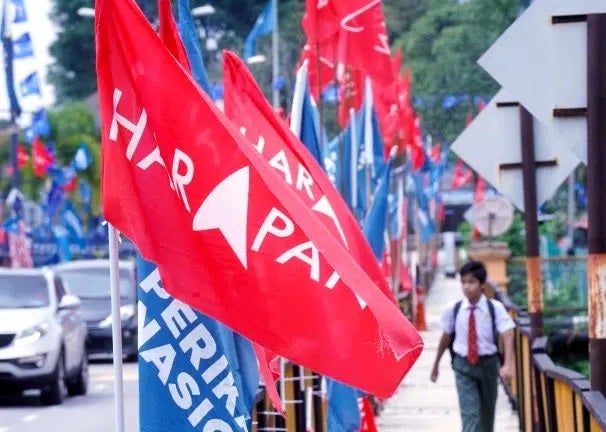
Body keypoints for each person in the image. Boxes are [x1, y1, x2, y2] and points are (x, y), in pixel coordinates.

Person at [430, 261, 515, 432]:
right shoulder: (453, 309)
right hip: (463, 366)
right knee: (470, 415)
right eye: (463, 282)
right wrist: (436, 365)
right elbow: (445, 338)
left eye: (472, 282)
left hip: (488, 365)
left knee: (487, 416)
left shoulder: (494, 308)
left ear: (482, 284)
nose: (467, 287)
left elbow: (508, 333)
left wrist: (508, 364)